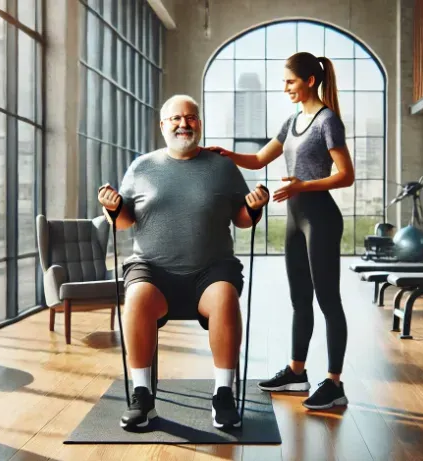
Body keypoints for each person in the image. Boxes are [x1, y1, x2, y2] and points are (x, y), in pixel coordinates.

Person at [97, 94, 270, 431]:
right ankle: (142, 396)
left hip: (211, 269)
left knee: (224, 297)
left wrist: (253, 206)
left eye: (190, 117)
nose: (183, 124)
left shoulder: (222, 167)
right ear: (163, 126)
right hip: (152, 268)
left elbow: (242, 219)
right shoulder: (142, 166)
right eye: (175, 118)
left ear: (199, 124)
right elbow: (124, 221)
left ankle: (223, 394)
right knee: (136, 298)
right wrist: (114, 207)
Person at [207, 52, 355, 410]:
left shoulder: (327, 121)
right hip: (294, 218)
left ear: (310, 81)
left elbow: (346, 176)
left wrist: (302, 185)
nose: (285, 88)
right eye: (284, 83)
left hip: (320, 218)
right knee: (299, 299)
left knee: (328, 301)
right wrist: (227, 153)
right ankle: (296, 371)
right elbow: (259, 159)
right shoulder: (292, 121)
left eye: (290, 82)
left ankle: (335, 384)